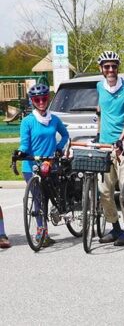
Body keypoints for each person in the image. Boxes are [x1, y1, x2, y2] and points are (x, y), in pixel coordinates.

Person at [14, 83, 69, 247]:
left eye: (44, 98)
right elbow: (24, 143)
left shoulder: (54, 120)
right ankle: (40, 230)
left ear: (48, 99)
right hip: (31, 166)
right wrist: (21, 152)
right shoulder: (28, 121)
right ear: (32, 101)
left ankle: (48, 223)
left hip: (49, 163)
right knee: (38, 199)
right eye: (37, 99)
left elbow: (65, 135)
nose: (41, 102)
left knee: (49, 197)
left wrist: (59, 148)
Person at [93, 51, 124, 246]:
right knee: (104, 190)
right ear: (101, 69)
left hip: (123, 145)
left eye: (113, 66)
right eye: (106, 66)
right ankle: (115, 227)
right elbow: (101, 112)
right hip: (104, 145)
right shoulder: (99, 87)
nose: (110, 70)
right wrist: (98, 133)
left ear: (118, 67)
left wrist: (122, 141)